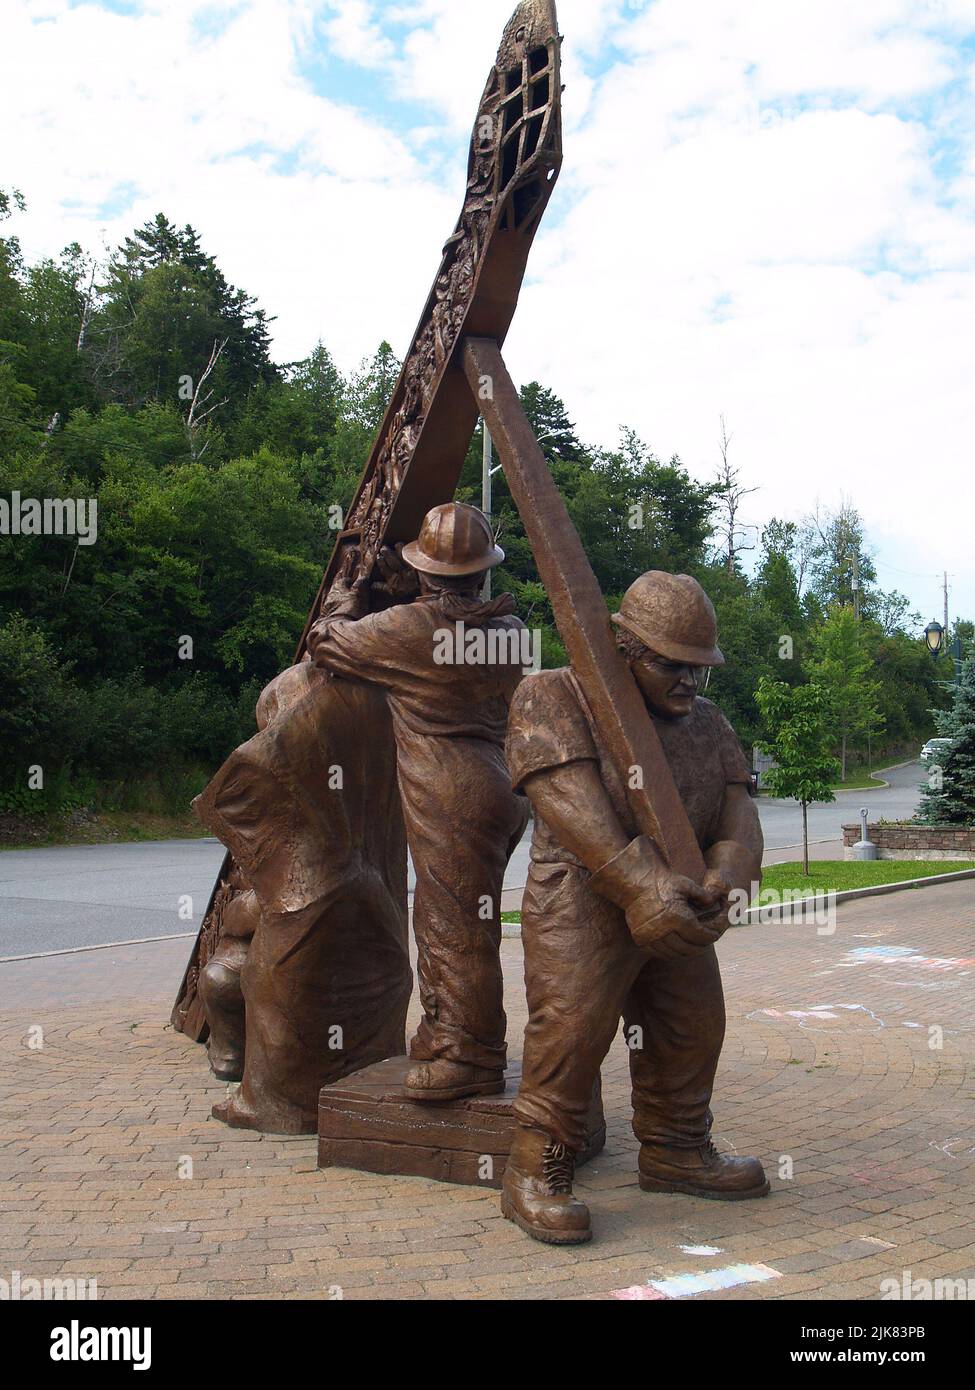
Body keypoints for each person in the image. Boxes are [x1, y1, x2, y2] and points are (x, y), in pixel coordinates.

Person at [501, 571, 766, 1244]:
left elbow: (738, 810)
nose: (690, 681)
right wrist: (638, 885)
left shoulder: (709, 723)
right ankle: (535, 1168)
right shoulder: (553, 696)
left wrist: (730, 875)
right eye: (672, 665)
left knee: (691, 1026)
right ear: (624, 649)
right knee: (571, 1029)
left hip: (681, 895)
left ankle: (677, 1148)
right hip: (581, 894)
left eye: (699, 667)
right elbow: (565, 797)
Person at [307, 503, 530, 1103]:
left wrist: (349, 597)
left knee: (452, 925)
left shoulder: (409, 628)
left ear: (425, 573)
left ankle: (470, 1054)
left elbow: (326, 643)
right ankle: (442, 1029)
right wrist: (421, 592)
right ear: (483, 572)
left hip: (451, 791)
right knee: (462, 918)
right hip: (501, 784)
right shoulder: (511, 632)